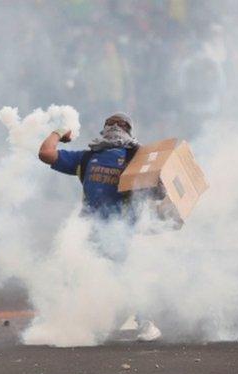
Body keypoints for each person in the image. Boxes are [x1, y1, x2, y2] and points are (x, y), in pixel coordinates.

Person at [37, 112, 161, 342]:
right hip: (115, 233)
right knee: (124, 278)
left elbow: (45, 152)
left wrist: (58, 132)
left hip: (93, 234)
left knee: (80, 276)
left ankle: (70, 324)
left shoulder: (87, 158)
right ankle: (142, 324)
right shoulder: (137, 158)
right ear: (129, 131)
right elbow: (160, 191)